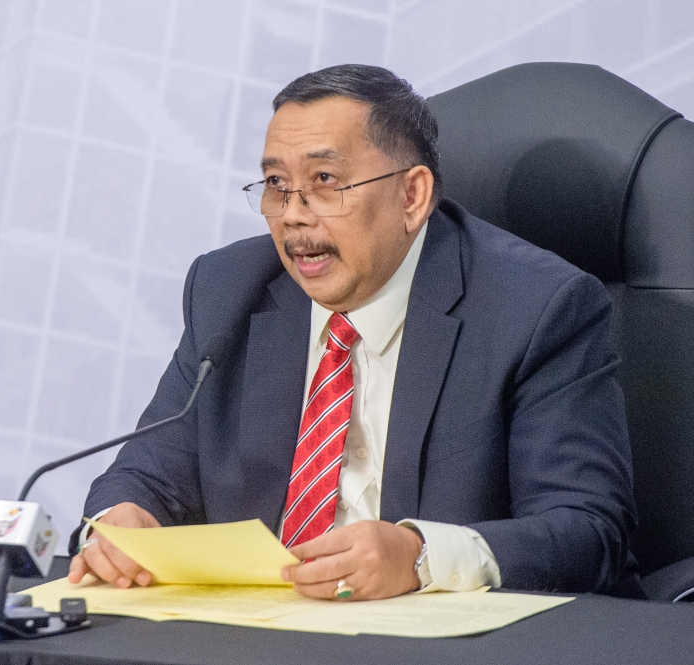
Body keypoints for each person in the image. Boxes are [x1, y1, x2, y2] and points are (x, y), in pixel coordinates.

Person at [67, 64, 640, 601]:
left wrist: (419, 556)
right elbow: (144, 474)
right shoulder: (228, 289)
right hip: (252, 635)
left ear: (412, 195)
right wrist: (121, 521)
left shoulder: (536, 308)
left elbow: (589, 533)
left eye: (324, 180)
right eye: (276, 182)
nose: (293, 214)